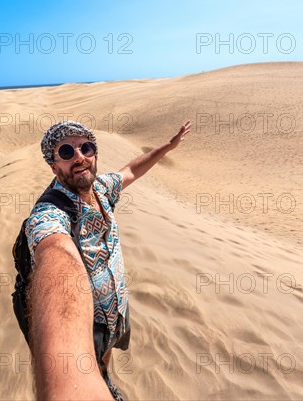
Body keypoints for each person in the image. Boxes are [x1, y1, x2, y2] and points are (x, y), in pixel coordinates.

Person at [25, 119, 192, 400]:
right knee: (91, 357)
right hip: (85, 323)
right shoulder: (49, 212)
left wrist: (169, 146)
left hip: (115, 309)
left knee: (104, 356)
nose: (80, 157)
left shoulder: (102, 188)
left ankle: (105, 377)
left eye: (86, 148)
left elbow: (131, 170)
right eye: (67, 152)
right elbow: (54, 252)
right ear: (53, 166)